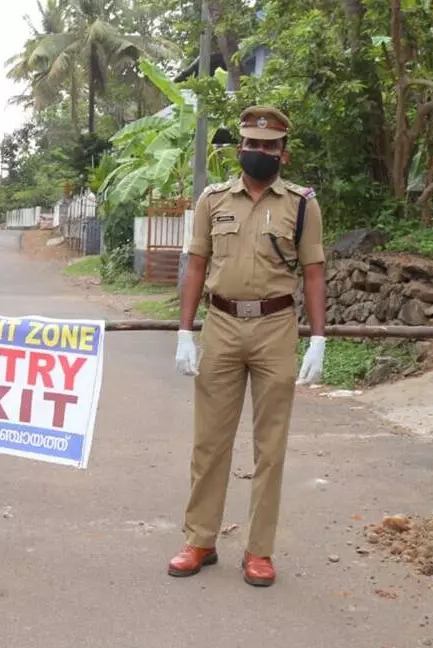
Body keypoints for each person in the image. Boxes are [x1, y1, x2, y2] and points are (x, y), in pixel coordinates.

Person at [167, 105, 328, 586]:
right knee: (209, 442)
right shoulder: (212, 201)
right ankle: (200, 540)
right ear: (240, 149)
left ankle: (259, 551)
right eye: (252, 145)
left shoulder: (302, 205)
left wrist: (318, 338)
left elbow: (314, 272)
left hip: (276, 328)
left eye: (269, 146)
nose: (260, 153)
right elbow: (195, 265)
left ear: (284, 153)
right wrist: (184, 331)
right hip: (221, 324)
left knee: (270, 447)